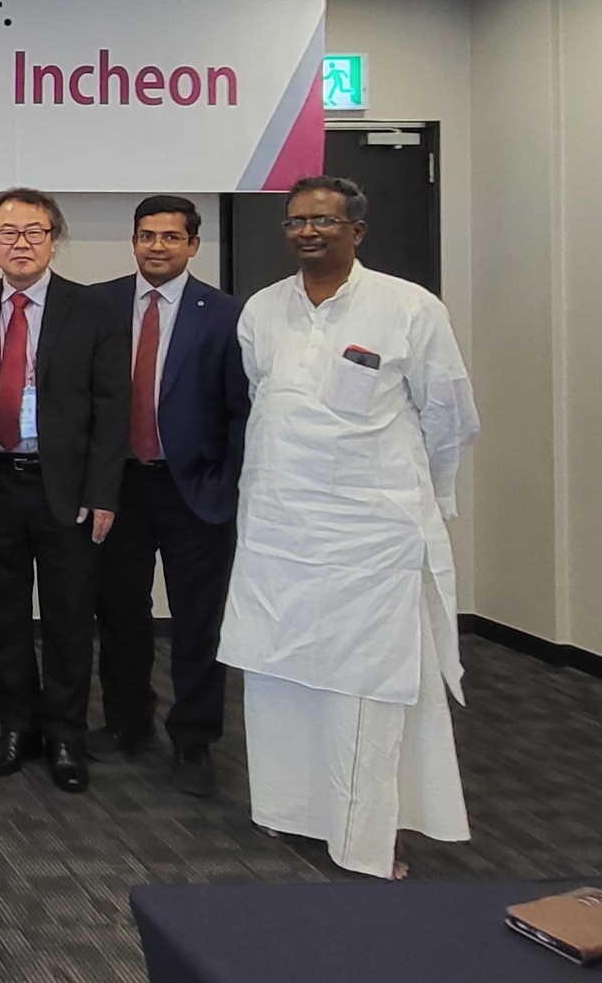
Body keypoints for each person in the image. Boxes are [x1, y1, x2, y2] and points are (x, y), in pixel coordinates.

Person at [218, 176, 479, 879]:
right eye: (296, 221)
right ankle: (293, 810)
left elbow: (449, 417)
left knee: (363, 686)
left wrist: (427, 498)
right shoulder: (262, 310)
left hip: (369, 538)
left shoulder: (408, 308)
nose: (308, 232)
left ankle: (364, 841)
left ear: (356, 231)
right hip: (280, 531)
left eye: (324, 221)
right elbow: (264, 398)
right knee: (279, 672)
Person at [0, 187, 127, 793]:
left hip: (69, 490)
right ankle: (15, 728)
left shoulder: (92, 309)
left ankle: (65, 735)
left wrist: (103, 492)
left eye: (34, 232)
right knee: (3, 615)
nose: (21, 243)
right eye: (8, 233)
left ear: (54, 240)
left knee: (69, 617)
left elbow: (113, 407)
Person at [86, 195, 247, 799]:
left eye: (171, 237)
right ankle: (127, 723)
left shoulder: (227, 314)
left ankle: (194, 738)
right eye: (147, 235)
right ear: (132, 242)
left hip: (194, 490)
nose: (158, 246)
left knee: (197, 620)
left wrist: (228, 482)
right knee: (120, 613)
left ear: (193, 245)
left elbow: (240, 410)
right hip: (119, 486)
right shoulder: (98, 304)